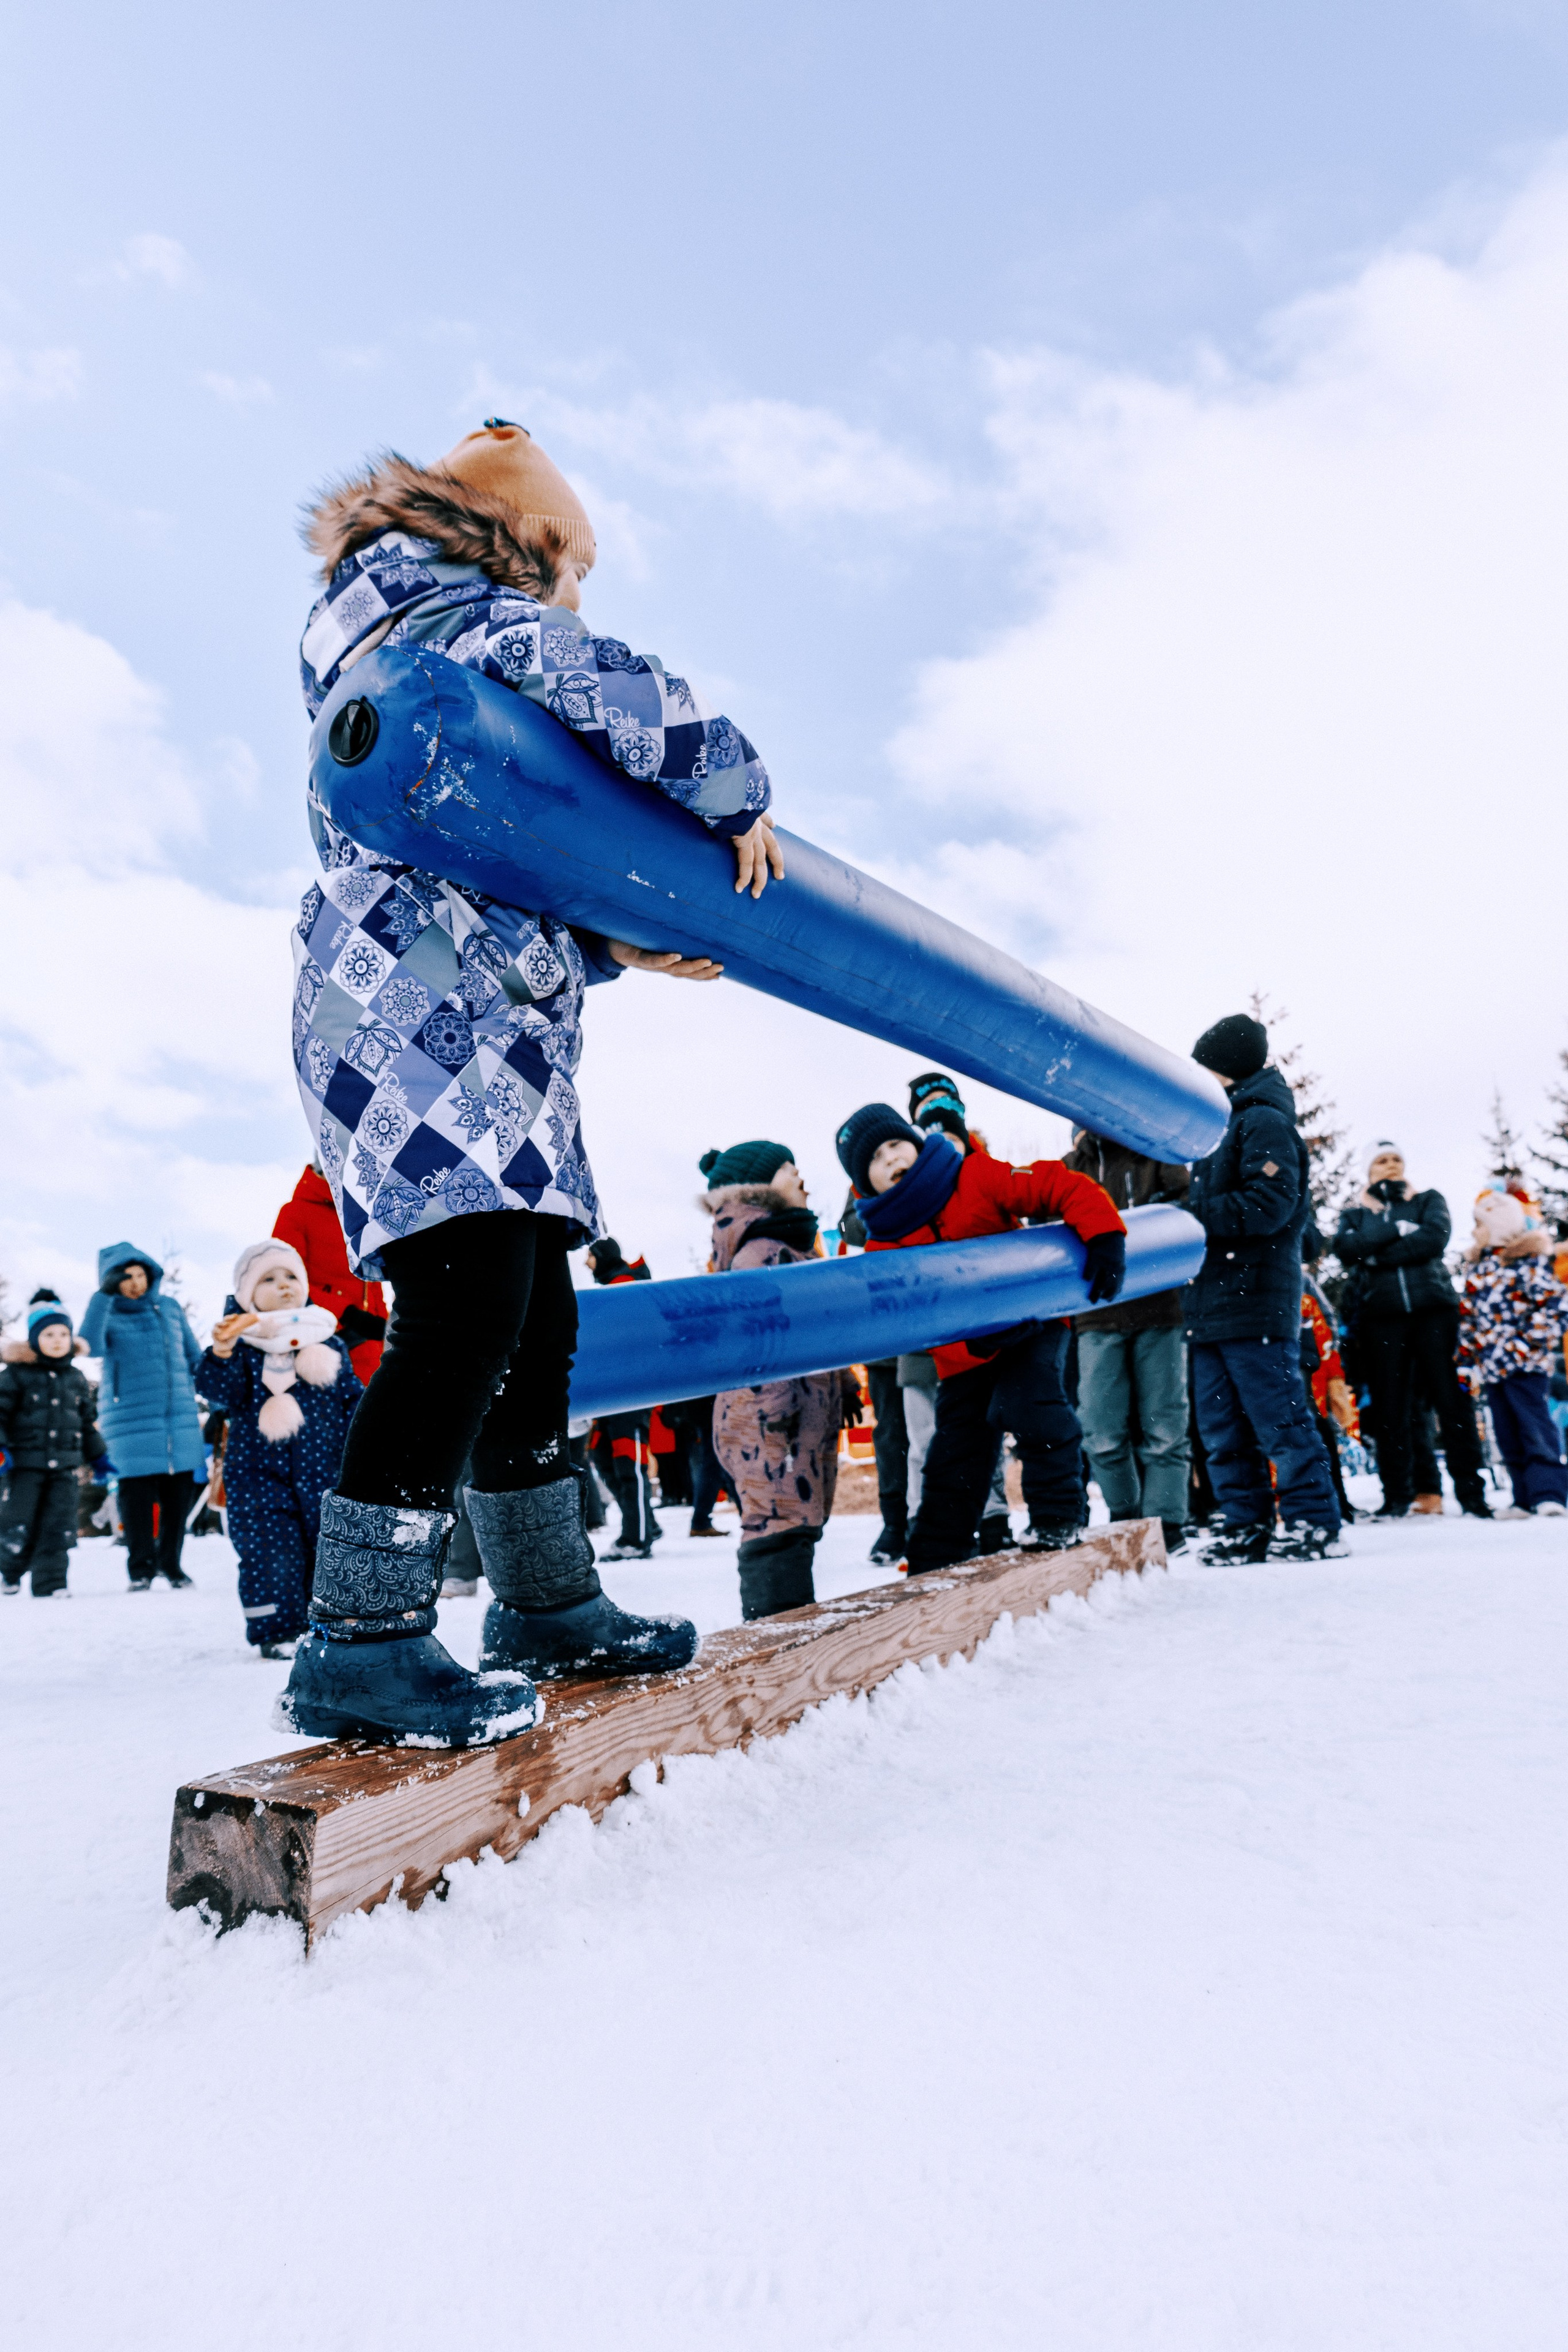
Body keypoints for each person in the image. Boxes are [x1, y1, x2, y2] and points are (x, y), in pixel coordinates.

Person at [281, 419, 781, 1743]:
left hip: (459, 1016)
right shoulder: (461, 621)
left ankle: (547, 1600)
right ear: (531, 545)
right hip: (421, 1022)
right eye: (577, 563)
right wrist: (732, 794)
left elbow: (484, 869)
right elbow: (620, 691)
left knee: (534, 1320)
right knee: (464, 1310)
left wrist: (604, 944)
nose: (578, 593)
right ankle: (363, 1636)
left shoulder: (399, 648)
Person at [837, 1103, 1126, 1569]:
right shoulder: (884, 1241)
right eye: (874, 1160)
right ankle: (936, 1553)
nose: (890, 1160)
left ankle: (1058, 1517)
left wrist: (1104, 1232)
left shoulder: (973, 1175)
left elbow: (1055, 1183)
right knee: (955, 1451)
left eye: (895, 1145)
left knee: (1031, 1406)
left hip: (1030, 1326)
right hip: (964, 1357)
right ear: (862, 1183)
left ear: (914, 1142)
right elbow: (908, 1315)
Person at [1184, 1015, 1343, 1563]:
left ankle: (1312, 1521)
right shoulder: (1212, 1129)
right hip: (1208, 1306)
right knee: (1221, 1429)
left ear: (1223, 1068)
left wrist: (1188, 1217)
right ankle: (1245, 1523)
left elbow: (1268, 1205)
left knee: (1280, 1419)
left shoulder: (1263, 1123)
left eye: (1203, 1065)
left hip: (1255, 1299)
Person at [698, 1139, 850, 1617]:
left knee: (795, 1525)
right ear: (761, 1189)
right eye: (790, 1169)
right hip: (770, 1428)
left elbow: (820, 1334)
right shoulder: (761, 1255)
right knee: (777, 1525)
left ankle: (790, 1629)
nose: (802, 1177)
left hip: (794, 1422)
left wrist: (845, 1385)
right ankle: (774, 1634)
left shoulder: (789, 1248)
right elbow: (761, 1352)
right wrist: (773, 1419)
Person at [197, 1242, 363, 1655]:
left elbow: (353, 1402)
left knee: (327, 1550)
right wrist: (221, 1351)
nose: (284, 1286)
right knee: (271, 1552)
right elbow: (219, 1391)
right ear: (247, 1296)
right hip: (257, 1475)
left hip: (325, 1471)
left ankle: (330, 1625)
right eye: (268, 1280)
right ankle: (278, 1631)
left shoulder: (327, 1342)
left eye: (291, 1277)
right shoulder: (241, 1346)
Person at [1332, 1141, 1490, 1520]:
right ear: (1369, 1170)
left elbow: (1435, 1238)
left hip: (1435, 1311)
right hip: (1381, 1317)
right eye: (1382, 1161)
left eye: (1397, 1160)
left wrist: (1377, 1251)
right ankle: (1397, 1495)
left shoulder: (1429, 1199)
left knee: (1452, 1403)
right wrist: (1399, 1230)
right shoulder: (1355, 1212)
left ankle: (1472, 1494)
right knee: (1391, 1408)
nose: (1391, 1166)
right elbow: (1347, 1249)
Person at [1062, 1129, 1192, 1556]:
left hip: (1159, 1309)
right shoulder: (1070, 1167)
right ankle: (1126, 1516)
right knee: (1099, 1428)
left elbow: (1184, 1209)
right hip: (1096, 1313)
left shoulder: (1156, 1154)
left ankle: (1168, 1523)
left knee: (1165, 1424)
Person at [80, 1243, 206, 1591]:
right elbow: (89, 1345)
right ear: (111, 1282)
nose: (135, 1283)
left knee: (178, 1501)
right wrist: (102, 1298)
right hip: (130, 1422)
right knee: (136, 1503)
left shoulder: (169, 1308)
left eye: (140, 1274)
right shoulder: (108, 1313)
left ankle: (172, 1565)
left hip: (178, 1421)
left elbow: (194, 1357)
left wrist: (221, 1386)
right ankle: (141, 1570)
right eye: (125, 1277)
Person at [1457, 1186, 1568, 1517]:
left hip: (1526, 1365)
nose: (1475, 1232)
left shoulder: (1529, 1265)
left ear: (1501, 1224)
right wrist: (1467, 1361)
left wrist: (1526, 1345)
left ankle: (1549, 1493)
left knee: (1535, 1427)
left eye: (1481, 1224)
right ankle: (1522, 1497)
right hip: (1491, 1367)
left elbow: (1554, 1308)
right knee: (1505, 1432)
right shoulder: (1477, 1271)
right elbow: (1468, 1318)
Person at [0, 1294, 104, 1597]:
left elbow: (86, 1424)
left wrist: (99, 1458)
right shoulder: (15, 1376)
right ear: (34, 1339)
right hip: (23, 1467)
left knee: (59, 1525)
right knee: (19, 1522)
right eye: (48, 1334)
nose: (58, 1340)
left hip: (65, 1467)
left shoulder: (76, 1378)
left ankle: (51, 1582)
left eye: (63, 1333)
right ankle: (10, 1571)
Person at [273, 1161, 390, 1383]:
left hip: (372, 1355)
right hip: (321, 1352)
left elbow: (372, 1284)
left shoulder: (360, 1218)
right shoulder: (295, 1213)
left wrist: (385, 1331)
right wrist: (345, 1313)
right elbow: (284, 1286)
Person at [584, 1237, 664, 1560]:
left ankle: (637, 1538)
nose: (586, 1262)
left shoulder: (623, 1288)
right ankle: (646, 1522)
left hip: (629, 1393)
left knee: (629, 1465)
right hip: (611, 1395)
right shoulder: (610, 1287)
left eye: (590, 1256)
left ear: (602, 1257)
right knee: (601, 1456)